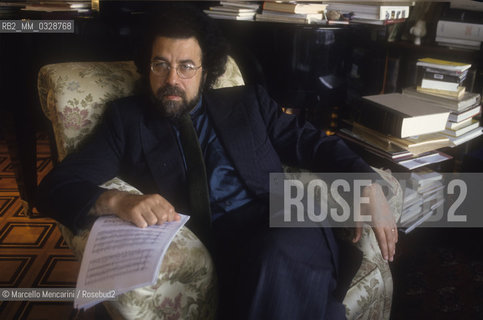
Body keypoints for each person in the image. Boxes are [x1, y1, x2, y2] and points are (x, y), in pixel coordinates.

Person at [37, 6, 397, 320]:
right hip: (224, 247)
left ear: (206, 70)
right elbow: (56, 187)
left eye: (186, 67)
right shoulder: (126, 122)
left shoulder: (247, 103)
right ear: (146, 65)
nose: (171, 80)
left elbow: (312, 143)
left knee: (278, 253)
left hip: (288, 224)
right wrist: (119, 201)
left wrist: (366, 183)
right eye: (160, 65)